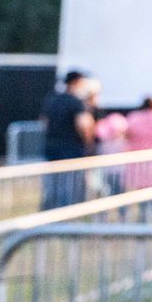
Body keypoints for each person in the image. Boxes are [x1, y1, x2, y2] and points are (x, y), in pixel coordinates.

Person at [40, 70, 96, 210]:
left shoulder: (52, 100)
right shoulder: (76, 102)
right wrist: (89, 144)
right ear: (77, 82)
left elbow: (44, 123)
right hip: (71, 151)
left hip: (51, 149)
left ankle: (50, 215)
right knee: (70, 188)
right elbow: (83, 125)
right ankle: (67, 219)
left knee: (52, 187)